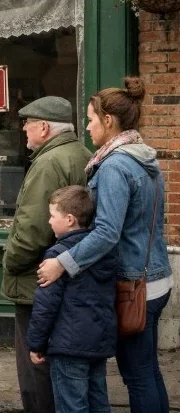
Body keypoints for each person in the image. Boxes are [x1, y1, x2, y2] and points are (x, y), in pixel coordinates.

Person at [38, 77, 173, 413]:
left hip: (133, 282)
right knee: (147, 370)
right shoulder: (146, 160)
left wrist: (62, 262)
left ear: (109, 121)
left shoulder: (114, 166)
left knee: (138, 374)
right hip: (156, 276)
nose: (87, 127)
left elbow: (107, 233)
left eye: (91, 119)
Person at [1, 96, 92, 413]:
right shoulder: (81, 153)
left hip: (36, 282)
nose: (23, 128)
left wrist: (10, 262)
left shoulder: (48, 163)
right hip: (69, 277)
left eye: (27, 122)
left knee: (36, 366)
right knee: (64, 370)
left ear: (44, 126)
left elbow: (32, 229)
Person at [27, 186, 117, 413]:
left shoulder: (56, 257)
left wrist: (36, 343)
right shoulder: (102, 252)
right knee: (99, 402)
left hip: (68, 346)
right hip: (98, 342)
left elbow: (45, 306)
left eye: (52, 216)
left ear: (69, 220)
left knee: (71, 406)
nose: (48, 221)